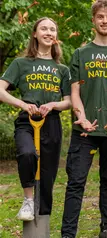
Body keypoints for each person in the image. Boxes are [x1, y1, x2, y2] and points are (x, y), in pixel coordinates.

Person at [60, 0, 107, 237]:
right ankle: (68, 233)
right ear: (93, 20)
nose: (104, 20)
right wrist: (81, 117)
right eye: (100, 16)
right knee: (75, 183)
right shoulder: (80, 53)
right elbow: (74, 91)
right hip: (84, 130)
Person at [0, 17, 71, 221]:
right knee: (27, 153)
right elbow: (1, 90)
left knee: (47, 176)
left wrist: (53, 105)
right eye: (44, 29)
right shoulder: (21, 63)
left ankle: (42, 225)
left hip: (51, 123)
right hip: (27, 120)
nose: (49, 33)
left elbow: (69, 101)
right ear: (35, 34)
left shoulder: (62, 70)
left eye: (52, 30)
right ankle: (28, 200)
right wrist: (23, 105)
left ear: (56, 36)